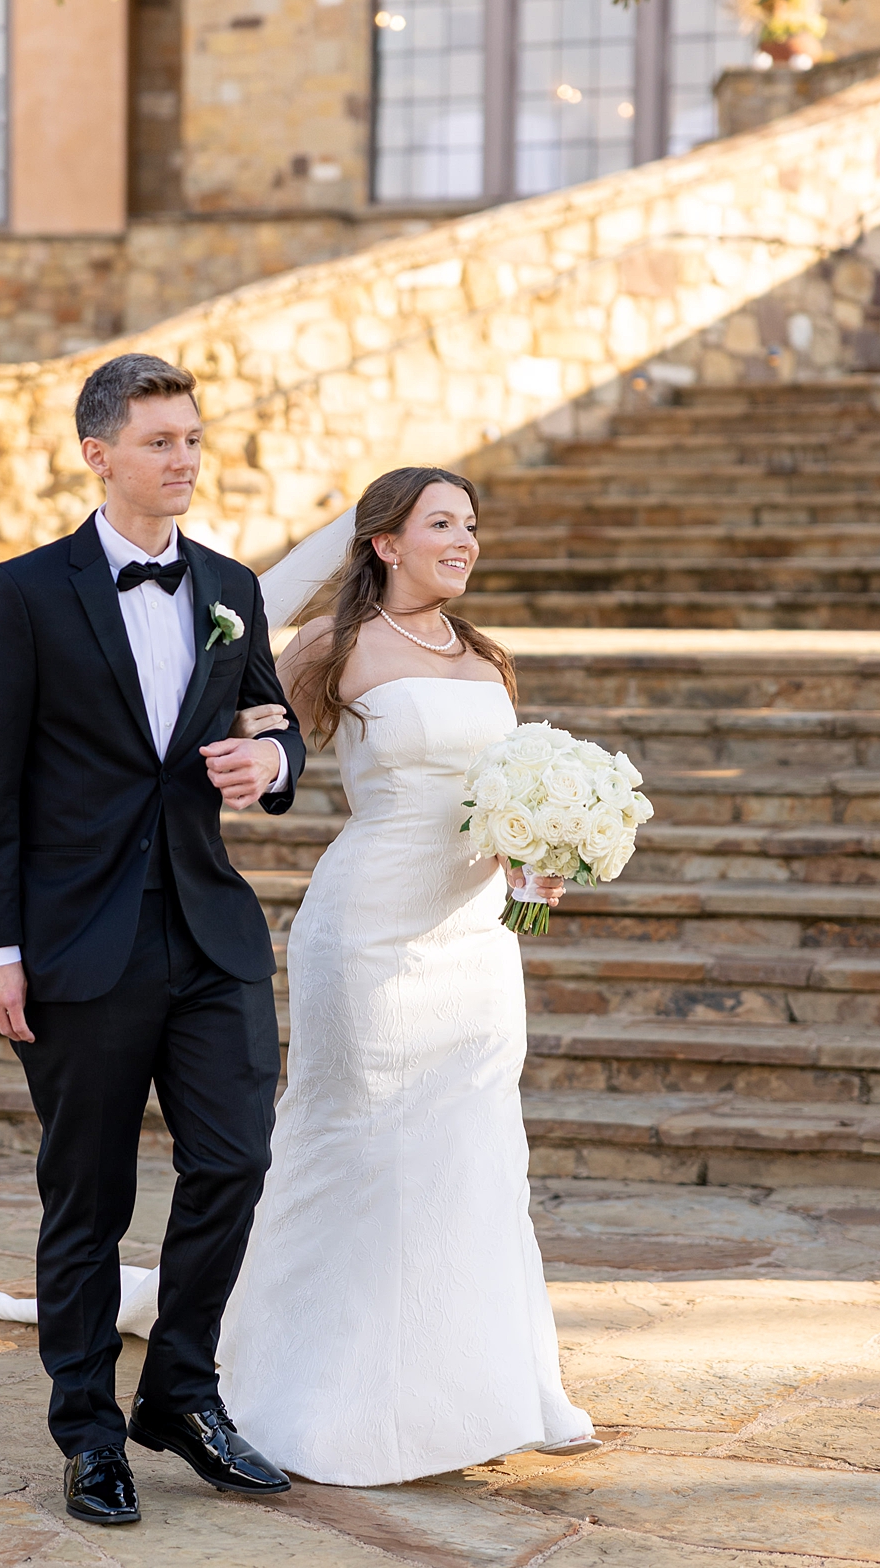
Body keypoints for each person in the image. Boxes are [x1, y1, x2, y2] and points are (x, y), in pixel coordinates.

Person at [0, 351, 306, 1526]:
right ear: (98, 453)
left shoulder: (227, 584)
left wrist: (274, 763)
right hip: (72, 943)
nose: (185, 460)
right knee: (86, 1196)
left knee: (236, 1158)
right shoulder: (26, 591)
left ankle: (182, 1393)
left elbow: (271, 717)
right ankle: (89, 1430)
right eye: (161, 442)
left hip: (207, 931)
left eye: (193, 439)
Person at [218, 467, 596, 1483]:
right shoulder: (328, 646)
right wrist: (254, 771)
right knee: (360, 1134)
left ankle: (484, 1386)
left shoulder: (484, 656)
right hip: (370, 925)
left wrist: (540, 855)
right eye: (441, 523)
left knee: (474, 1142)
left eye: (470, 524)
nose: (463, 539)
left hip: (476, 935)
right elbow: (255, 747)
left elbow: (502, 793)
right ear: (384, 542)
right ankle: (310, 1379)